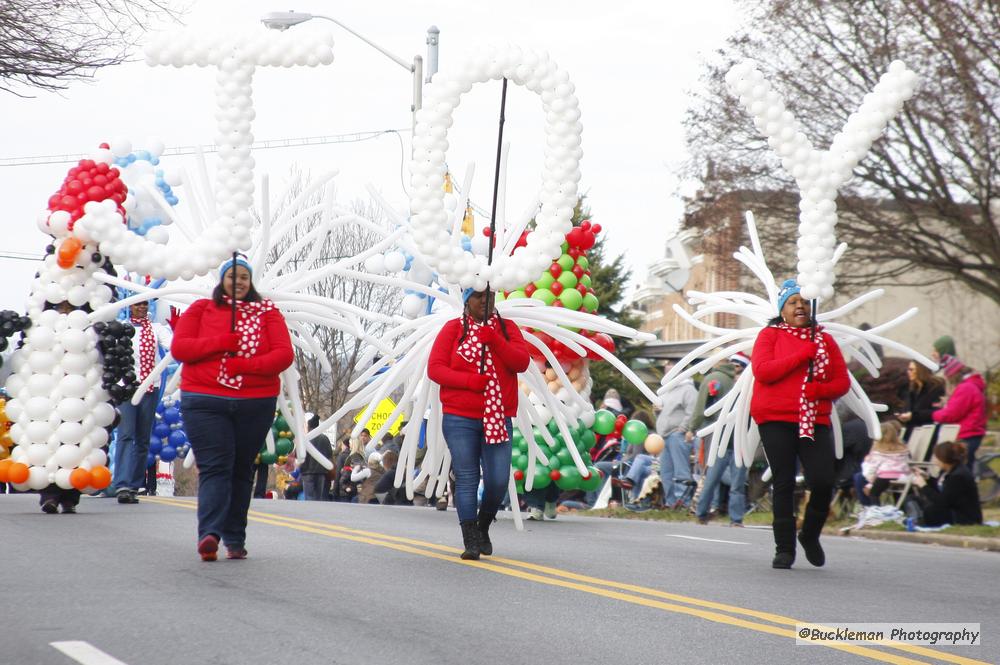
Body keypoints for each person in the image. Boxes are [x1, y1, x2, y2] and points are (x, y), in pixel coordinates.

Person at [171, 255, 294, 561]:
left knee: (241, 469)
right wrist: (221, 342)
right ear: (222, 279)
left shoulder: (268, 313)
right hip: (205, 400)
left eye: (243, 277)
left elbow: (282, 356)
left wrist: (245, 366)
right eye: (232, 276)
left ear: (250, 281)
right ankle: (209, 534)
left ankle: (235, 538)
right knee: (215, 467)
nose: (238, 282)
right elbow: (181, 348)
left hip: (254, 402)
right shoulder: (201, 310)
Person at [750, 279, 850, 569]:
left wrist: (819, 391)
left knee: (823, 480)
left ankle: (810, 534)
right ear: (782, 309)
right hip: (775, 418)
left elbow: (841, 381)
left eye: (804, 302)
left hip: (813, 419)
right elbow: (763, 371)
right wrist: (800, 356)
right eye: (793, 302)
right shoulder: (769, 335)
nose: (800, 307)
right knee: (783, 481)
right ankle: (785, 548)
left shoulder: (824, 340)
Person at [427, 288, 529, 560]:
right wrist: (471, 382)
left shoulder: (507, 329)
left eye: (490, 295)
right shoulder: (452, 330)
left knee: (497, 480)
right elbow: (435, 369)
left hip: (497, 416)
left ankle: (483, 525)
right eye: (478, 295)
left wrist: (495, 341)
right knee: (467, 476)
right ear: (466, 300)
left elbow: (521, 362)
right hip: (460, 416)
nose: (485, 300)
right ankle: (470, 539)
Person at [110, 300, 172, 504]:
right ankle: (122, 484)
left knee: (143, 438)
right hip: (128, 389)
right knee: (126, 435)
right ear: (130, 307)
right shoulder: (122, 328)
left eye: (145, 305)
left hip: (150, 389)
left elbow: (172, 347)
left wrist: (179, 332)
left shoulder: (156, 329)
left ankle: (134, 485)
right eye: (137, 305)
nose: (142, 308)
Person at [694, 353, 750, 526]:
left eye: (739, 367)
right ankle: (702, 513)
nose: (735, 370)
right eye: (733, 366)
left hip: (739, 443)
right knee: (712, 479)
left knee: (736, 485)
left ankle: (735, 519)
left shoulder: (748, 391)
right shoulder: (723, 387)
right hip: (723, 443)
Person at [932, 357, 987, 475]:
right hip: (972, 432)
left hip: (966, 434)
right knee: (966, 469)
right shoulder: (971, 385)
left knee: (961, 472)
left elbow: (951, 414)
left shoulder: (966, 388)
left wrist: (934, 413)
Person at [655, 361, 698, 509]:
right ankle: (671, 502)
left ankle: (683, 501)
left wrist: (683, 428)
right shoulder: (666, 390)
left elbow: (692, 411)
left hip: (676, 435)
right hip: (663, 436)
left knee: (681, 470)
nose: (667, 375)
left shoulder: (688, 390)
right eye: (666, 371)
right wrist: (657, 411)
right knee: (666, 472)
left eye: (671, 372)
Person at [911, 441, 982, 526]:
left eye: (936, 457)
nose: (934, 460)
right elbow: (941, 488)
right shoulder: (949, 471)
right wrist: (927, 478)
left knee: (930, 510)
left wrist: (923, 486)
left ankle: (918, 519)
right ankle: (917, 519)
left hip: (962, 517)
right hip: (952, 510)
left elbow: (942, 502)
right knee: (913, 499)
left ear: (943, 458)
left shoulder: (958, 476)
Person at [853, 421, 909, 506]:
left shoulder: (879, 451)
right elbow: (905, 463)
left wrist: (870, 482)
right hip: (902, 476)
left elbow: (872, 468)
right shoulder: (903, 448)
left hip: (884, 476)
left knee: (873, 494)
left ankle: (874, 511)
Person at [896, 361, 945, 442]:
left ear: (920, 370)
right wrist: (902, 415)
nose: (908, 372)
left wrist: (913, 415)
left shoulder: (935, 388)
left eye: (911, 369)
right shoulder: (910, 390)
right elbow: (907, 408)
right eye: (908, 369)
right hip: (912, 433)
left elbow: (937, 411)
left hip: (929, 432)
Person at [299, 414, 333, 501]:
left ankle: (310, 513)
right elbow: (329, 454)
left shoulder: (306, 438)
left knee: (309, 497)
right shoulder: (325, 439)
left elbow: (299, 454)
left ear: (309, 426)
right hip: (321, 472)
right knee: (318, 497)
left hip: (307, 472)